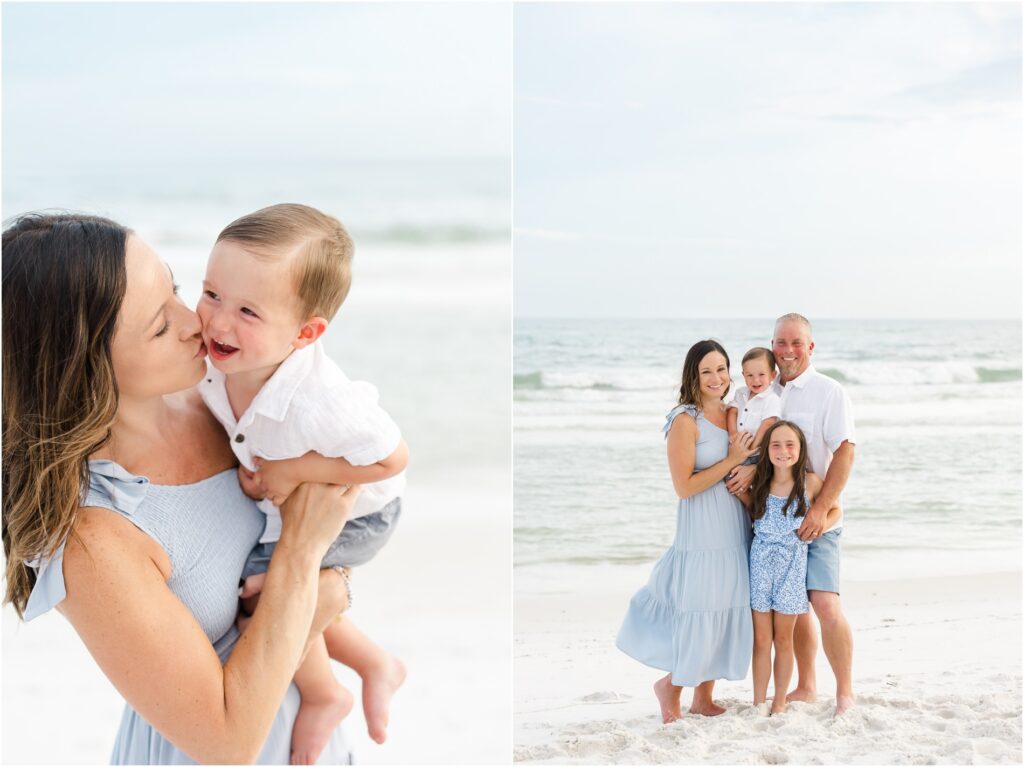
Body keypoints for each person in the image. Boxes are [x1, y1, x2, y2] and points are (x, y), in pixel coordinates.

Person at [2, 212, 358, 764]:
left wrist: (328, 587)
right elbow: (226, 742)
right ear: (86, 369)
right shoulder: (95, 538)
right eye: (159, 326)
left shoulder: (223, 403)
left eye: (173, 286)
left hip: (306, 737)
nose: (195, 321)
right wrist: (308, 561)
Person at [196, 203, 408, 762]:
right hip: (288, 505)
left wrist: (293, 471)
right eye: (211, 293)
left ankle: (323, 694)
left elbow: (391, 459)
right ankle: (372, 662)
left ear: (306, 333)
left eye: (247, 311)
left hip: (360, 510)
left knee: (264, 597)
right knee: (260, 586)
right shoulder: (219, 363)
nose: (218, 322)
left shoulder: (321, 402)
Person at [616, 340, 756, 723]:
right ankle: (670, 688)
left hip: (734, 524)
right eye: (707, 370)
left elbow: (752, 463)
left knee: (727, 605)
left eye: (722, 369)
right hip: (702, 530)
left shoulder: (734, 413)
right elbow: (684, 486)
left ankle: (704, 697)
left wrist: (748, 472)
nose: (716, 378)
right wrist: (731, 460)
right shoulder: (684, 420)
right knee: (701, 607)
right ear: (693, 375)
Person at [726, 313, 857, 716]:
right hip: (769, 522)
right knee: (791, 609)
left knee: (825, 605)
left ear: (810, 347)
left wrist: (819, 511)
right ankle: (805, 685)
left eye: (796, 343)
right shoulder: (761, 387)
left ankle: (845, 693)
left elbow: (846, 451)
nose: (787, 351)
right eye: (780, 343)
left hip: (816, 514)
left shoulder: (828, 391)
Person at [736, 421, 839, 716]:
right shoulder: (760, 483)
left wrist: (818, 528)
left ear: (801, 449)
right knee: (761, 640)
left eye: (790, 445)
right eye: (776, 445)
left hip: (792, 568)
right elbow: (749, 508)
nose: (783, 451)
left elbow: (836, 510)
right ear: (767, 451)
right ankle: (758, 702)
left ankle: (779, 701)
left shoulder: (811, 483)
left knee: (783, 639)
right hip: (760, 565)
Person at [726, 347, 782, 461]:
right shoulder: (740, 393)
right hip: (736, 448)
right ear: (743, 375)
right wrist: (732, 434)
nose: (756, 380)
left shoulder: (772, 398)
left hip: (756, 454)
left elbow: (767, 424)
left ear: (772, 375)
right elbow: (732, 411)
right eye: (750, 375)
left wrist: (752, 448)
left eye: (761, 374)